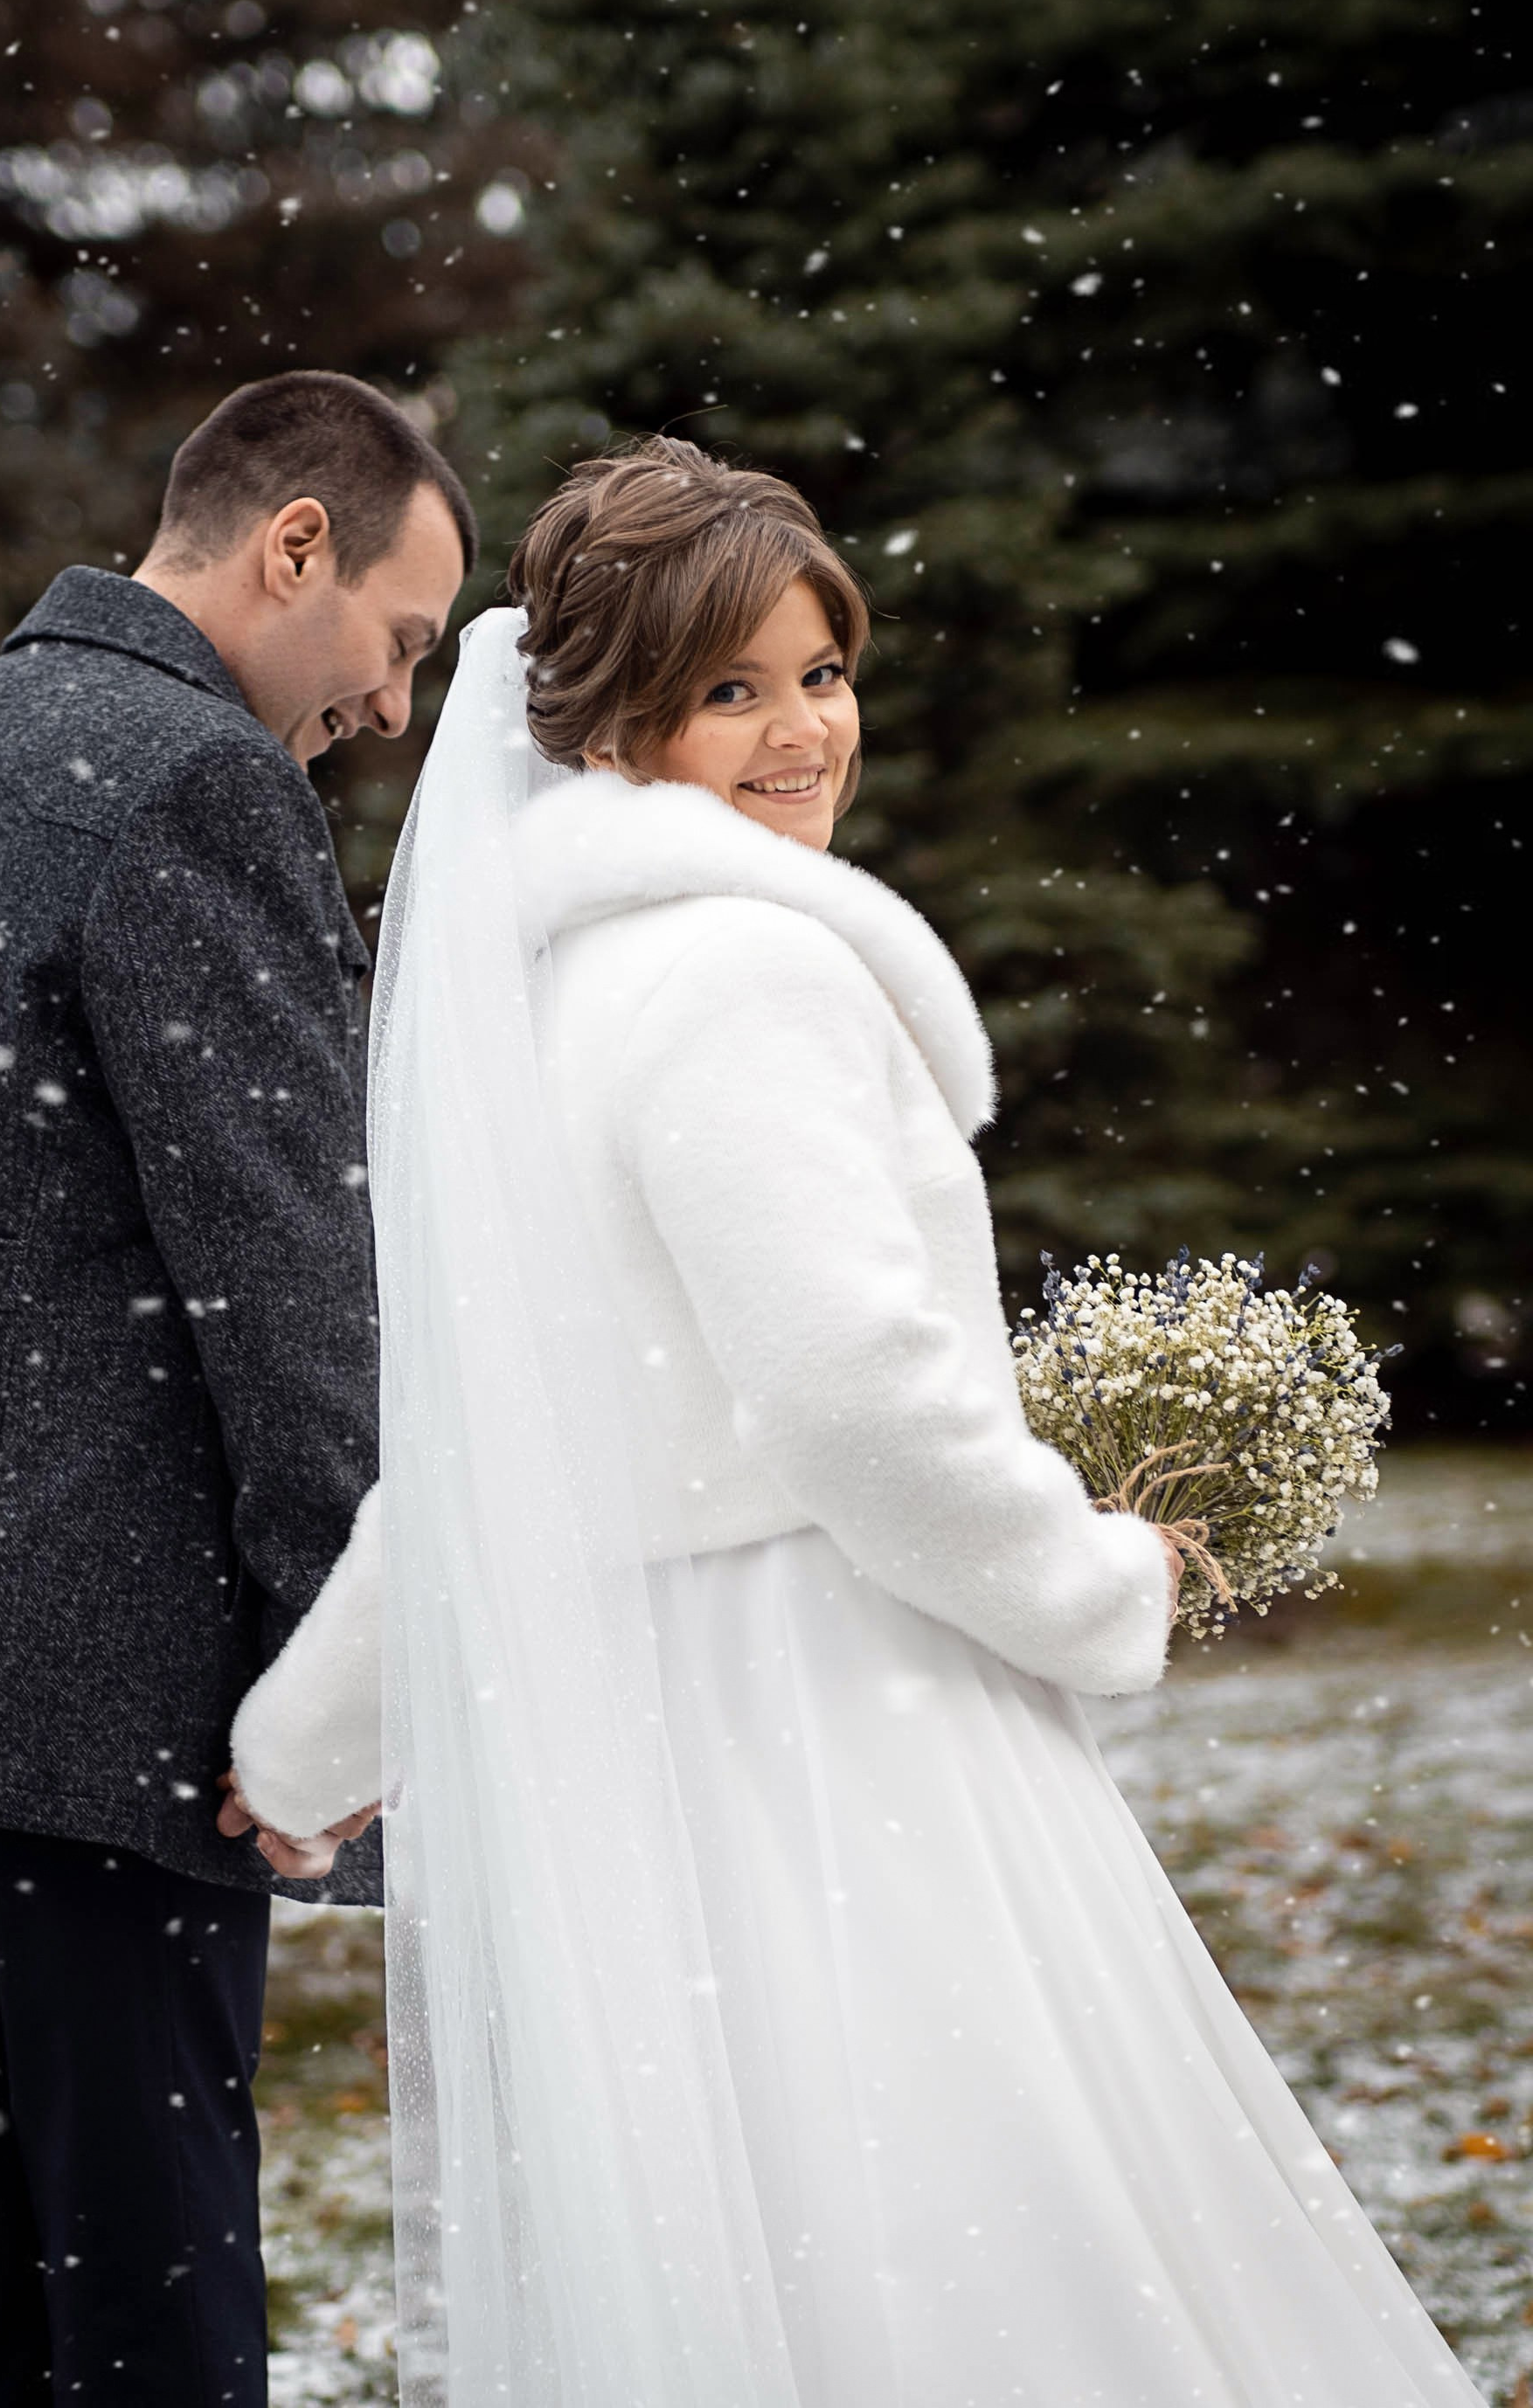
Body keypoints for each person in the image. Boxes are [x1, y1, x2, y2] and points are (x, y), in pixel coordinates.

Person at [230, 434, 1483, 2406]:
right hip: (838, 1725)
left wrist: (301, 1745)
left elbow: (481, 1457)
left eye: (820, 673)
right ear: (611, 723)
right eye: (728, 691)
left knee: (810, 2276)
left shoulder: (538, 1008)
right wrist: (1095, 1578)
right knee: (991, 2245)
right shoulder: (732, 976)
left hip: (654, 1758)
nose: (802, 730)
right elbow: (853, 1398)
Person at [0, 370, 469, 2406]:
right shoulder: (191, 779)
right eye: (401, 636)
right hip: (100, 1679)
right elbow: (289, 1289)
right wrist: (341, 1676)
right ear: (292, 545)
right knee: (146, 2291)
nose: (396, 705)